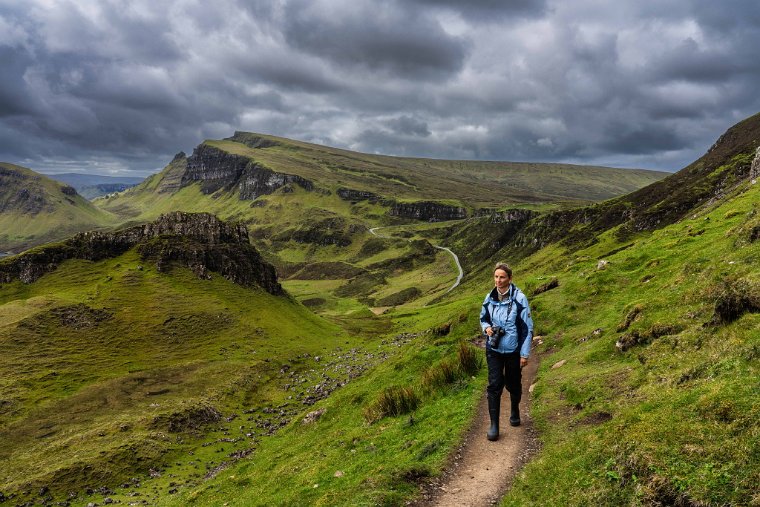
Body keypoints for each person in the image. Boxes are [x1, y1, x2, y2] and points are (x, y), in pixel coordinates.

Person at [479, 262, 533, 441]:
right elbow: (483, 317)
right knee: (494, 385)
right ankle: (494, 425)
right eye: (496, 277)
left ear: (510, 278)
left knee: (513, 384)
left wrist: (524, 354)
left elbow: (527, 328)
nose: (498, 280)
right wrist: (486, 328)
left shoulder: (520, 298)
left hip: (513, 351)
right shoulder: (490, 297)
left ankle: (515, 410)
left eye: (502, 277)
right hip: (493, 349)